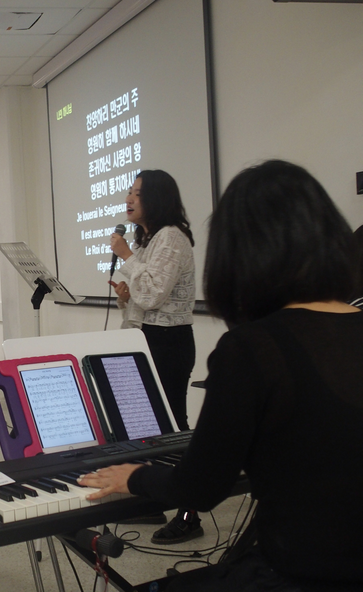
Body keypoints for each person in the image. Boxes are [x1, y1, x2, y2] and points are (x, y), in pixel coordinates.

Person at [80, 160, 363, 592]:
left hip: (305, 574)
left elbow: (201, 485)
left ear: (241, 254)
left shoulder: (254, 348)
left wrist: (133, 476)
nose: (129, 198)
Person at [108, 170, 199, 544]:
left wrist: (126, 257)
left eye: (138, 193)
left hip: (168, 343)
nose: (129, 199)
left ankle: (190, 513)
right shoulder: (149, 240)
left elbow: (153, 294)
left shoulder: (171, 237)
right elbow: (142, 298)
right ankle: (152, 499)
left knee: (172, 428)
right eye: (129, 192)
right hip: (147, 339)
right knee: (148, 429)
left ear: (157, 198)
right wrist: (125, 296)